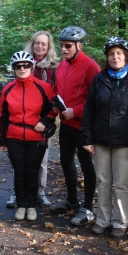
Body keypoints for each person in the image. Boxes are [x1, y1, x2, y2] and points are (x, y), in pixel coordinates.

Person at [81, 37, 128, 238]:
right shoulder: (99, 80)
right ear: (107, 57)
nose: (115, 57)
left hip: (125, 143)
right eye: (111, 54)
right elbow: (89, 110)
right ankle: (102, 219)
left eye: (119, 53)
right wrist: (87, 137)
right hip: (100, 141)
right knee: (103, 181)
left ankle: (120, 222)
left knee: (120, 184)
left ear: (126, 56)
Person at [49, 26, 101, 226]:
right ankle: (71, 200)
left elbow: (96, 99)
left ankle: (87, 208)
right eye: (62, 45)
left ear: (79, 45)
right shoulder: (62, 65)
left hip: (84, 126)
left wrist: (76, 110)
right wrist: (56, 105)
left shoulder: (91, 66)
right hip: (66, 124)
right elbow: (57, 89)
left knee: (86, 166)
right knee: (66, 162)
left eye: (68, 46)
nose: (63, 49)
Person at [0, 51, 55, 221]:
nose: (22, 69)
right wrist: (2, 138)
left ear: (32, 67)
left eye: (26, 65)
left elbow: (54, 109)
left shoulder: (43, 87)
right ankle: (21, 205)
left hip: (36, 137)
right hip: (14, 136)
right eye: (18, 66)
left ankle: (31, 205)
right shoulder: (7, 89)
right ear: (14, 68)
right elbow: (3, 115)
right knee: (19, 171)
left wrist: (44, 121)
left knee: (32, 172)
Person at [5, 31, 59, 209]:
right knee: (20, 163)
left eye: (44, 44)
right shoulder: (25, 62)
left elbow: (55, 95)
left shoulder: (54, 67)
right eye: (37, 43)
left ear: (48, 46)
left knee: (40, 162)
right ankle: (18, 194)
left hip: (41, 120)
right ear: (32, 44)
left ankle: (39, 192)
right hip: (20, 120)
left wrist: (47, 119)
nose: (40, 46)